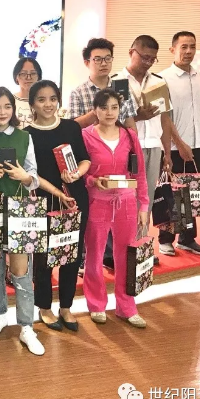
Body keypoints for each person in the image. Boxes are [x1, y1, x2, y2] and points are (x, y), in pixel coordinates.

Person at [0, 87, 44, 356]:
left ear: (14, 109)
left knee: (21, 270)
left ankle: (27, 325)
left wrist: (24, 177)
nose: (2, 112)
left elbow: (34, 176)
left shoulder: (25, 136)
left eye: (7, 106)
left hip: (21, 208)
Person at [25, 80, 90, 331]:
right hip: (43, 200)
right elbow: (29, 173)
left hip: (74, 198)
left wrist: (76, 174)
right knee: (44, 257)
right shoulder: (26, 134)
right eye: (41, 99)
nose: (48, 104)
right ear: (32, 104)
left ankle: (66, 306)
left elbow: (85, 160)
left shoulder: (71, 127)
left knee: (71, 253)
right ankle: (44, 306)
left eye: (53, 98)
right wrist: (54, 190)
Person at [82, 89, 149, 328]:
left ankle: (126, 306)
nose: (109, 112)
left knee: (126, 256)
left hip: (126, 203)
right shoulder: (85, 136)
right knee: (94, 256)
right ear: (95, 110)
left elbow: (139, 173)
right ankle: (96, 304)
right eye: (104, 107)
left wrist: (144, 204)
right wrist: (92, 180)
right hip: (97, 203)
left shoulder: (129, 136)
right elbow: (80, 171)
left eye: (114, 107)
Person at [69, 38, 137, 269]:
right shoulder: (79, 92)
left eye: (107, 58)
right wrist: (99, 110)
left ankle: (113, 254)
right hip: (90, 158)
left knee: (118, 200)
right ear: (87, 62)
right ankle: (88, 256)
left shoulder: (122, 87)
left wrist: (133, 150)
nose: (103, 63)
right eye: (97, 59)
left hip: (119, 154)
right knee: (93, 207)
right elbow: (73, 127)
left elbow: (129, 120)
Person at [116, 35, 174, 266]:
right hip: (127, 148)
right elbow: (113, 119)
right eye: (144, 57)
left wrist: (167, 152)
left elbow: (165, 119)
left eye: (152, 59)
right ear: (132, 52)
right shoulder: (118, 81)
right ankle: (122, 249)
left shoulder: (158, 82)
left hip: (153, 146)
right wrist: (138, 116)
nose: (148, 62)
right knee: (125, 199)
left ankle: (140, 248)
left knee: (145, 199)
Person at [158, 31, 200, 256]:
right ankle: (165, 239)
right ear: (173, 50)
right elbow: (164, 116)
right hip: (174, 147)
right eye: (184, 47)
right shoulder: (163, 78)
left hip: (197, 144)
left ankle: (187, 238)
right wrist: (178, 144)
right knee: (171, 194)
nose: (189, 51)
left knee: (192, 194)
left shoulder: (198, 76)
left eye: (192, 46)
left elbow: (199, 111)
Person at [12, 57, 43, 128]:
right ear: (16, 77)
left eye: (33, 73)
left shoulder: (45, 101)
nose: (28, 78)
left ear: (39, 77)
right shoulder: (10, 100)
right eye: (23, 74)